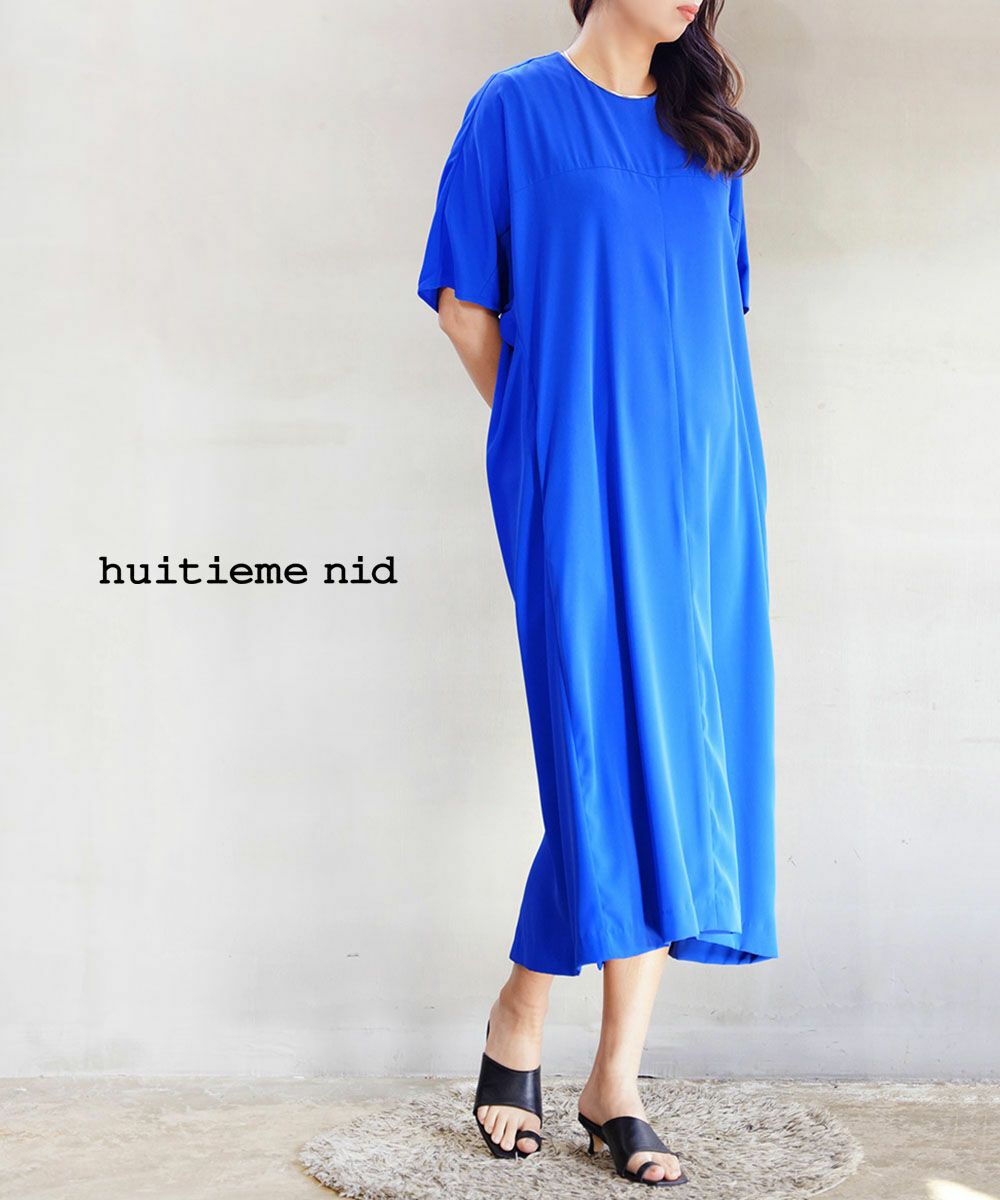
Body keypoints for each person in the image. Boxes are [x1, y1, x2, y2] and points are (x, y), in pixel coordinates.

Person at [416, 0, 777, 1186]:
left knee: (679, 753)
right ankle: (523, 1009)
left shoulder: (703, 127)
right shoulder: (514, 110)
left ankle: (614, 1077)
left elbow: (715, 315)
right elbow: (464, 299)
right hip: (573, 469)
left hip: (706, 481)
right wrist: (547, 429)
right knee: (602, 751)